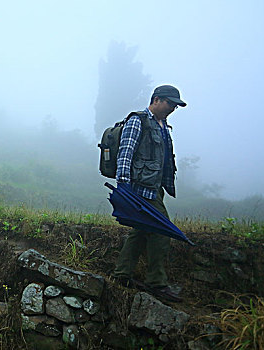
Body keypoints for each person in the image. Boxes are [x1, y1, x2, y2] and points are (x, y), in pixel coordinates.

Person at [112, 85, 186, 303]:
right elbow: (126, 152)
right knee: (162, 230)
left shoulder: (163, 126)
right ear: (156, 100)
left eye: (176, 105)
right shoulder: (138, 120)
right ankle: (157, 283)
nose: (173, 108)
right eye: (170, 103)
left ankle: (122, 275)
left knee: (141, 230)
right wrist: (123, 185)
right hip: (140, 189)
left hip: (155, 187)